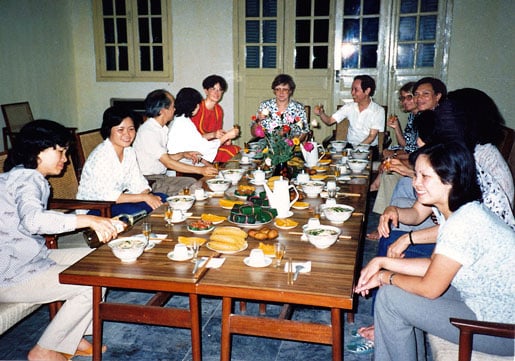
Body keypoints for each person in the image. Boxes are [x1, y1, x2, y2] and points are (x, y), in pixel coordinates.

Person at [357, 90, 515, 342]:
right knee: (392, 276)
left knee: (392, 294)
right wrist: (382, 264)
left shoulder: (468, 195)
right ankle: (387, 327)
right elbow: (441, 261)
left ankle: (384, 327)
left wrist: (387, 273)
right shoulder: (459, 180)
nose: (415, 182)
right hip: (475, 283)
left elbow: (431, 286)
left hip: (497, 323)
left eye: (424, 177)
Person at [0, 119, 124, 361]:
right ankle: (45, 350)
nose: (65, 159)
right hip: (12, 275)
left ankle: (74, 339)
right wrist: (89, 220)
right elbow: (34, 222)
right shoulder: (29, 179)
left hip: (31, 259)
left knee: (100, 262)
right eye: (60, 151)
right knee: (92, 282)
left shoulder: (17, 176)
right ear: (38, 150)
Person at [77, 106, 167, 216]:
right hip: (96, 207)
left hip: (117, 202)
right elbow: (108, 196)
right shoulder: (101, 156)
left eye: (131, 129)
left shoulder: (129, 152)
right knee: (136, 213)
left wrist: (148, 195)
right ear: (108, 130)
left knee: (163, 198)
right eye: (120, 130)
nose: (127, 134)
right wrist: (144, 197)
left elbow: (137, 182)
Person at [132, 89, 218, 195]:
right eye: (173, 106)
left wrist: (183, 154)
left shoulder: (161, 129)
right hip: (148, 181)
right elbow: (167, 162)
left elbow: (163, 157)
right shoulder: (149, 131)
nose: (175, 109)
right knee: (195, 188)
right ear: (163, 110)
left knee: (193, 183)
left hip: (160, 177)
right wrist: (200, 170)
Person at [369, 82, 419, 217]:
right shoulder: (413, 117)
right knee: (386, 153)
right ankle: (375, 185)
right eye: (403, 98)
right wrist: (397, 128)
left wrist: (394, 157)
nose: (405, 101)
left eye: (409, 97)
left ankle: (375, 186)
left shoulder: (424, 118)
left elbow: (415, 152)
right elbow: (405, 144)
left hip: (419, 160)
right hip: (412, 154)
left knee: (389, 164)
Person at [167, 87, 239, 165]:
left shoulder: (184, 120)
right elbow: (204, 148)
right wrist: (226, 136)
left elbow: (197, 145)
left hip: (195, 158)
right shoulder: (182, 123)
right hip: (184, 163)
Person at [315, 75, 385, 147]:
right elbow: (329, 121)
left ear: (367, 91)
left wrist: (356, 150)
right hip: (350, 147)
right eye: (352, 89)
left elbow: (371, 137)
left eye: (356, 90)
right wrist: (321, 113)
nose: (352, 93)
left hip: (369, 148)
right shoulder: (349, 107)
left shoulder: (378, 111)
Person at [191, 75, 241, 162]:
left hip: (212, 145)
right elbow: (193, 139)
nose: (217, 93)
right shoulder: (197, 108)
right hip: (197, 148)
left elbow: (217, 135)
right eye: (213, 89)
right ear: (206, 91)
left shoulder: (219, 110)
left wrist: (226, 139)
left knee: (237, 150)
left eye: (220, 90)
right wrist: (214, 135)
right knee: (233, 153)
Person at [251, 74, 309, 141]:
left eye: (285, 89)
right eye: (278, 89)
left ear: (290, 91)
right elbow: (254, 134)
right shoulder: (265, 106)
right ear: (274, 91)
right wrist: (258, 120)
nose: (281, 93)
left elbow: (304, 132)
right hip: (267, 146)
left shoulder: (298, 108)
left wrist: (291, 144)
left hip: (290, 146)